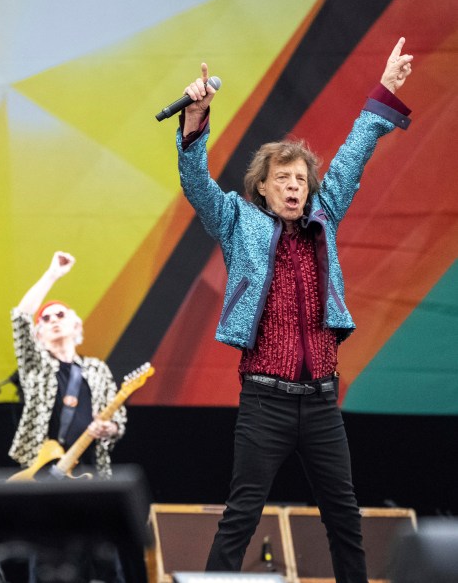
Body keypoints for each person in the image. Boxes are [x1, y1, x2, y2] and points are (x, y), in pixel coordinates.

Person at [174, 38, 413, 582]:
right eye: (282, 178)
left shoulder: (324, 218)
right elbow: (196, 185)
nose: (293, 186)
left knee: (344, 521)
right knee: (239, 519)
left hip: (322, 402)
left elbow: (353, 151)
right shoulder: (239, 222)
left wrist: (387, 89)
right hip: (265, 400)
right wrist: (194, 122)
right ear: (262, 187)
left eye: (300, 179)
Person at [10, 251, 143, 581]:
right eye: (46, 319)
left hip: (92, 472)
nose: (52, 319)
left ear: (75, 325)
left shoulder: (96, 370)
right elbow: (20, 317)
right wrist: (52, 274)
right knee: (45, 555)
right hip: (44, 473)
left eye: (60, 314)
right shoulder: (37, 368)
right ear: (39, 334)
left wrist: (109, 427)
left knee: (101, 557)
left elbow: (120, 421)